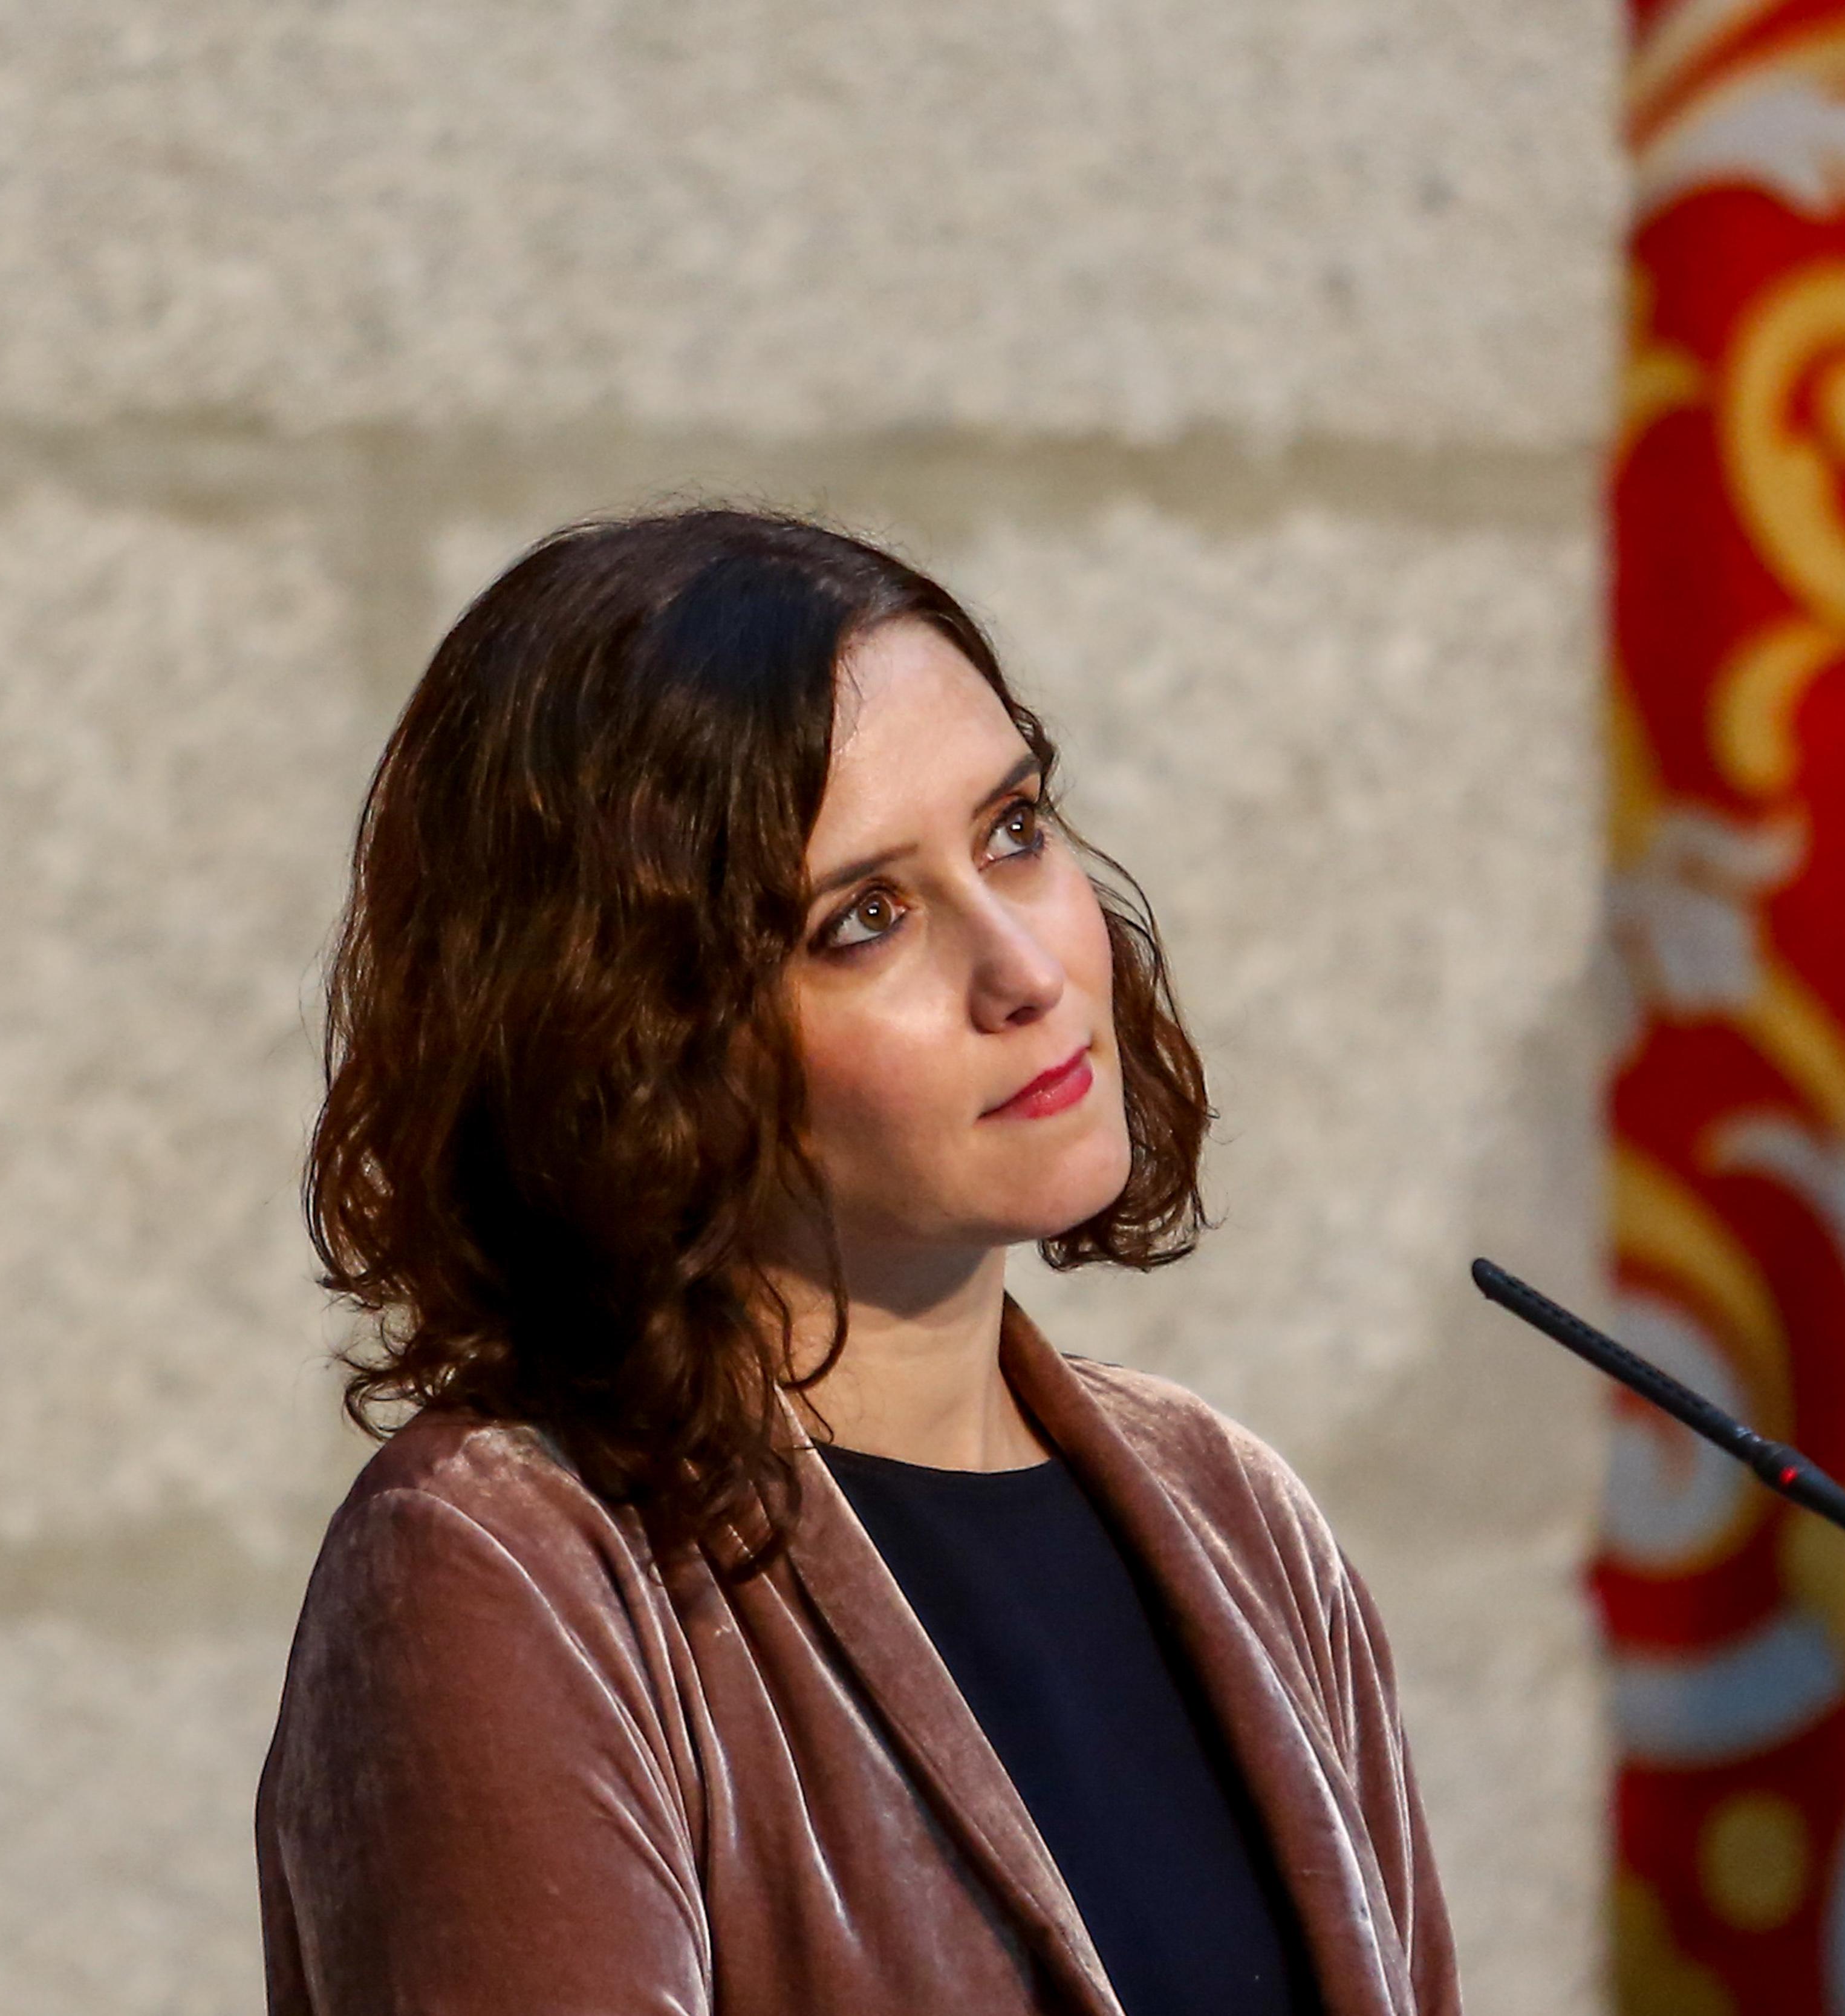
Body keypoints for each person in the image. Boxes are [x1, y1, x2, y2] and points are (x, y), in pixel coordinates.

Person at [255, 507, 1462, 2016]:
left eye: (1013, 830)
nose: (1025, 970)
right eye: (864, 919)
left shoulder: (1240, 1517)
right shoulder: (507, 1560)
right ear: (635, 1044)